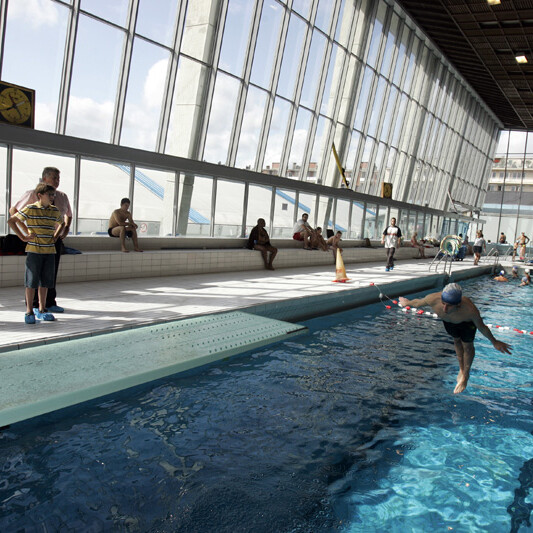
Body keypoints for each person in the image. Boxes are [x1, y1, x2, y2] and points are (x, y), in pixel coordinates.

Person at [399, 283, 511, 394]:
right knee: (457, 341)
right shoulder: (432, 299)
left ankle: (465, 376)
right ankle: (461, 369)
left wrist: (494, 342)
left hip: (466, 324)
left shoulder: (470, 310)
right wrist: (407, 303)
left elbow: (482, 327)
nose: (445, 308)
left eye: (449, 305)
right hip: (449, 323)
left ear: (458, 304)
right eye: (443, 303)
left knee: (467, 347)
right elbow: (417, 303)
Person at [9, 166, 72, 313]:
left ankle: (49, 302)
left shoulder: (62, 196)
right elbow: (13, 211)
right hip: (36, 240)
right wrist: (26, 232)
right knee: (34, 274)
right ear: (44, 178)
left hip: (52, 240)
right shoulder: (32, 195)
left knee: (50, 273)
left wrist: (65, 228)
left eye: (58, 178)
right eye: (54, 178)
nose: (57, 181)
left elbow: (68, 215)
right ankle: (33, 306)